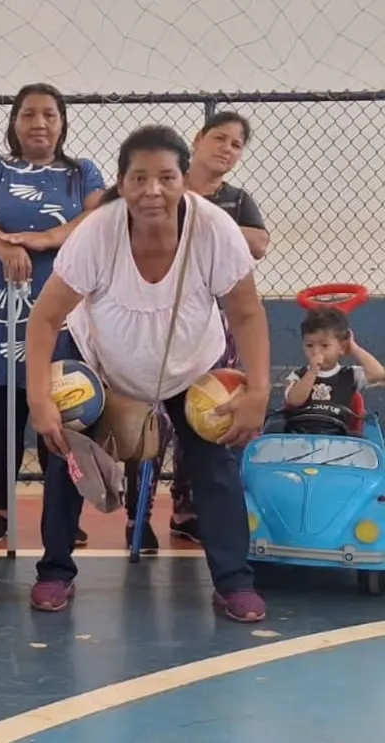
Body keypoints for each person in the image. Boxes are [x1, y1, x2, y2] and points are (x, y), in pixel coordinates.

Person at [24, 124, 272, 623]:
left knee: (216, 468)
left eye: (166, 177)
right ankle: (54, 571)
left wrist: (259, 390)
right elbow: (45, 318)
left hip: (190, 366)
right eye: (139, 178)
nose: (152, 190)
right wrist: (39, 400)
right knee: (65, 458)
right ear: (122, 182)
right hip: (100, 362)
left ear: (185, 180)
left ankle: (233, 582)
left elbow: (246, 313)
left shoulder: (215, 229)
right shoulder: (98, 232)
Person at [0, 83, 106, 545]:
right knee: (6, 414)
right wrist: (3, 245)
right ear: (14, 122)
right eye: (28, 114)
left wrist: (47, 239)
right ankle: (1, 511)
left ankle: (60, 514)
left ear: (62, 123)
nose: (39, 123)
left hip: (63, 306)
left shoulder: (83, 172)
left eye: (49, 114)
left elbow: (97, 219)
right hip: (4, 305)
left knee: (61, 412)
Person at [125, 110, 272, 549]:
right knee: (150, 423)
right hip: (158, 320)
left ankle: (186, 509)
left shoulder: (236, 200)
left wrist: (204, 219)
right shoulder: (166, 185)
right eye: (220, 138)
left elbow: (259, 243)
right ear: (199, 139)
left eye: (236, 144)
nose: (227, 149)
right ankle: (138, 516)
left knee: (206, 416)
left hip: (216, 327)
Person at [283, 307, 385, 432]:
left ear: (341, 348)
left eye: (324, 345)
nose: (316, 351)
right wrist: (312, 372)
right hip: (300, 435)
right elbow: (294, 401)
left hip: (338, 436)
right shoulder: (298, 375)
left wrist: (355, 349)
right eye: (309, 345)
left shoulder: (350, 375)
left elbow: (379, 374)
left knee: (359, 437)